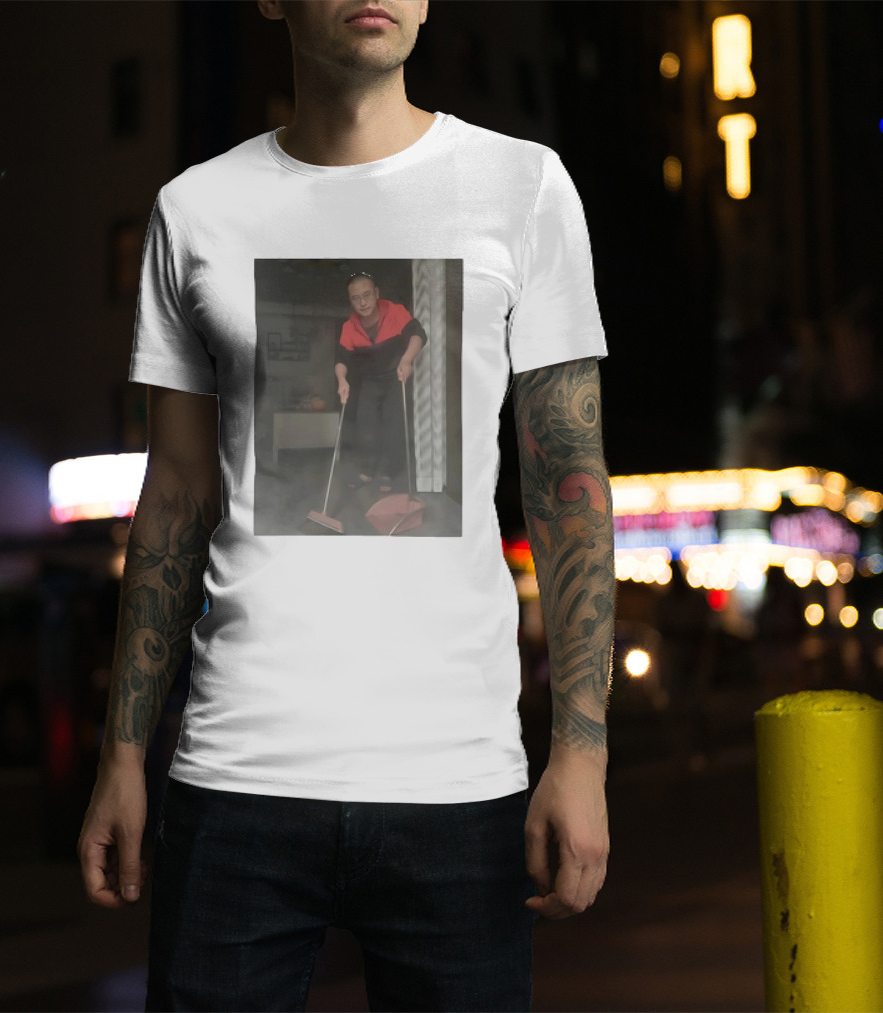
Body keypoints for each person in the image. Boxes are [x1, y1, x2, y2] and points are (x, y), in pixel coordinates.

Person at [77, 2, 614, 1011]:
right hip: (236, 775)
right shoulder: (197, 210)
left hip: (457, 784)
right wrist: (121, 753)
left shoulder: (522, 186)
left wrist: (580, 753)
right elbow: (176, 494)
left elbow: (570, 484)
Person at [336, 270, 427, 493]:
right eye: (356, 298)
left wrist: (406, 360)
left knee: (393, 425)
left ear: (376, 293)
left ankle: (389, 472)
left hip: (395, 377)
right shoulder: (349, 327)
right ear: (351, 300)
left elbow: (419, 335)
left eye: (367, 295)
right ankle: (367, 472)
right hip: (369, 381)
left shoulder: (395, 312)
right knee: (365, 425)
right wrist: (341, 380)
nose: (363, 302)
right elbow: (341, 358)